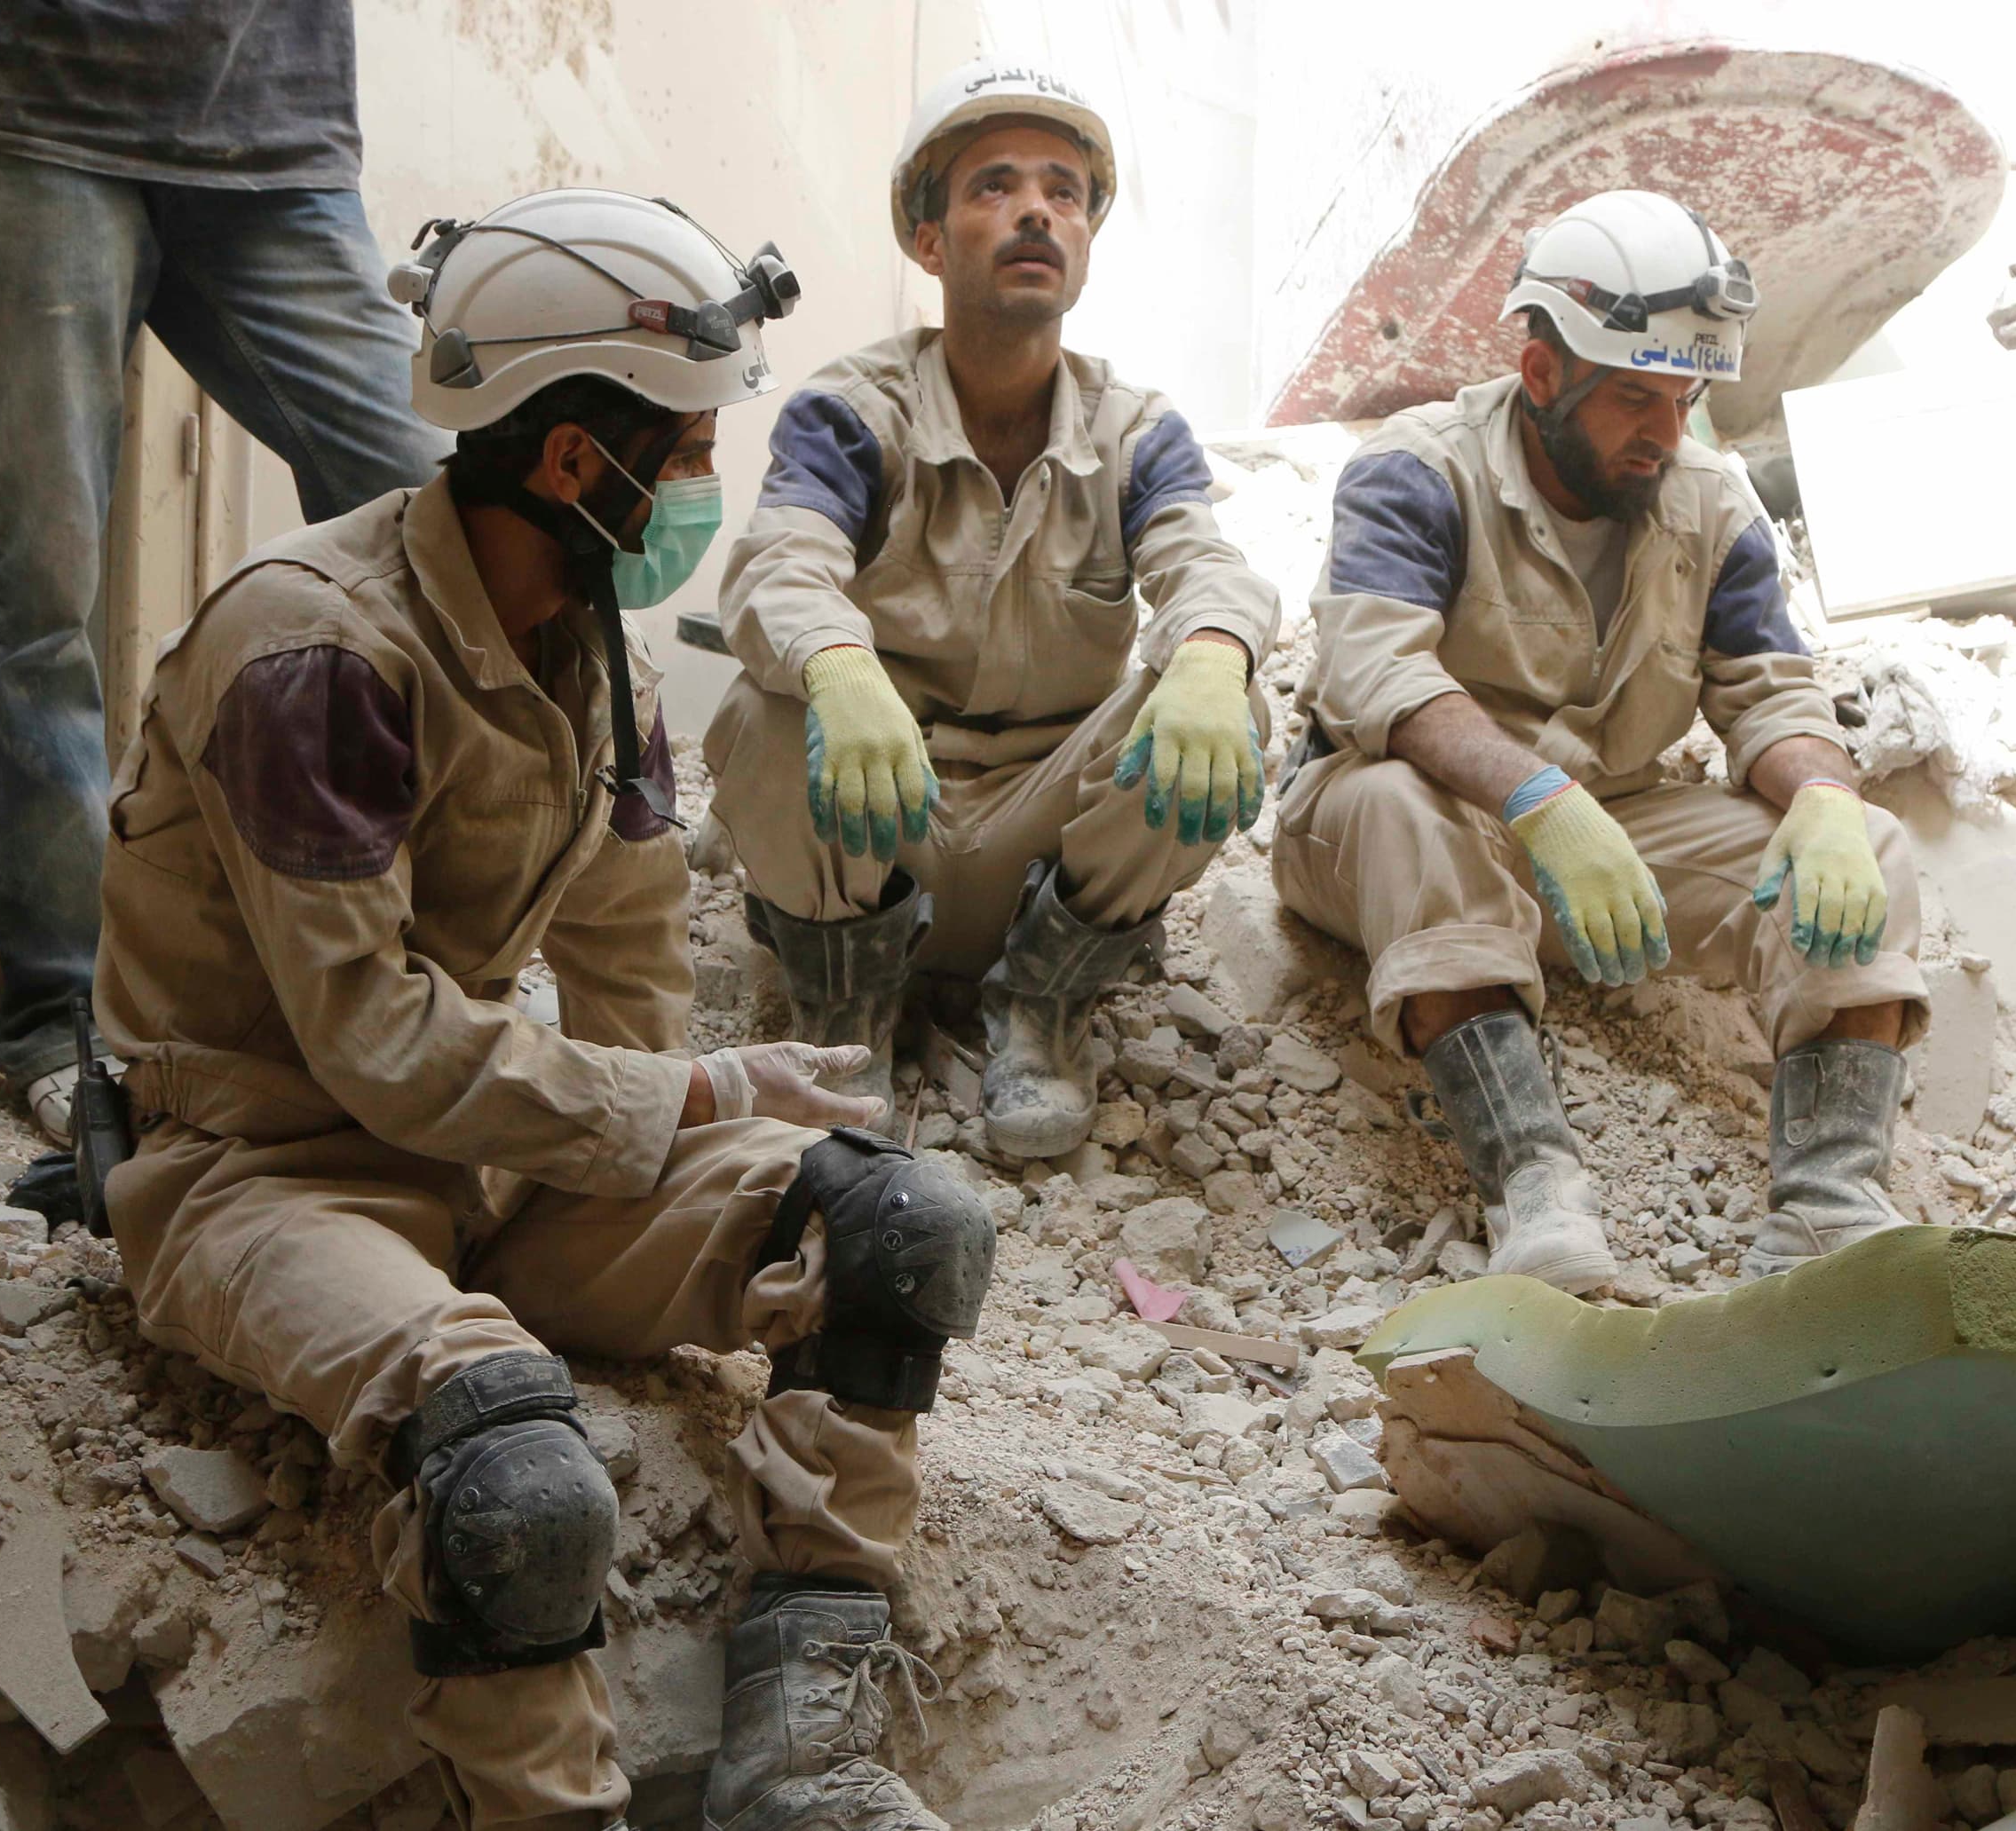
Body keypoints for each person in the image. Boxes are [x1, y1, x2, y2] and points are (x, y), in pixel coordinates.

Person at [94, 189, 984, 1831]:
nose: (708, 487)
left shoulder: (586, 645)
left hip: (490, 1160)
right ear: (581, 462)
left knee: (896, 1221)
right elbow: (371, 1039)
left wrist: (688, 1143)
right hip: (268, 1173)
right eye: (695, 445)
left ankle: (804, 1753)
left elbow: (633, 940)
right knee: (518, 1473)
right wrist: (700, 1101)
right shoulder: (314, 653)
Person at [1270, 190, 1932, 1294]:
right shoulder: (1418, 468)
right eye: (1634, 397)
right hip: (1388, 829)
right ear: (1542, 376)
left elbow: (1771, 692)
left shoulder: (1711, 505)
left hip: (1600, 845)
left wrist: (1818, 796)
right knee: (1399, 803)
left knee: (1869, 841)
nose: (1666, 433)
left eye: (1687, 397)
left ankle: (1826, 1200)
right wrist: (1536, 796)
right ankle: (1534, 1183)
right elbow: (1373, 670)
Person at [0, 0, 451, 1142]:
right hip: (31, 109)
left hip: (275, 135)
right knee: (36, 588)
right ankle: (66, 1016)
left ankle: (428, 962)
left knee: (435, 518)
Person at [709, 60, 1281, 1151]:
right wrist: (839, 665)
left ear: (1086, 243)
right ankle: (846, 1010)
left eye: (1065, 192)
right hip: (880, 816)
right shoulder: (851, 410)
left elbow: (1202, 559)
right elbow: (779, 562)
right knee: (767, 701)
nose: (1036, 211)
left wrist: (1214, 650)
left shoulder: (1134, 429)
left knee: (1220, 701)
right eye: (994, 187)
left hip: (1048, 845)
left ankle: (1045, 1003)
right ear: (929, 242)